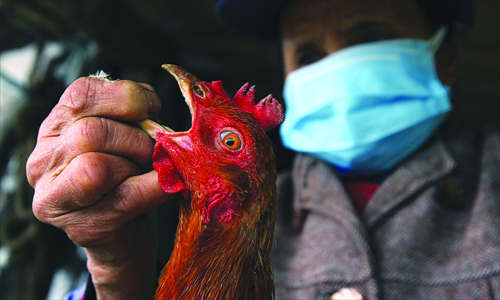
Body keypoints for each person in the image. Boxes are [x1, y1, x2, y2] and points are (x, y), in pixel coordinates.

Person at [26, 1, 499, 299]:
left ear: (449, 52)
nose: (336, 67)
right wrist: (117, 273)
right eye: (309, 56)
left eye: (369, 37)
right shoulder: (204, 212)